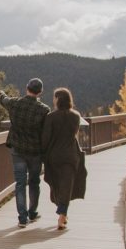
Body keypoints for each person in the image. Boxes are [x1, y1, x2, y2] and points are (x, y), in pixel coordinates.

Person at [0, 78, 50, 227]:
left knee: (20, 183)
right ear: (40, 92)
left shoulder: (15, 103)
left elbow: (4, 99)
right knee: (34, 182)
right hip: (35, 152)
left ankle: (22, 218)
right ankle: (32, 213)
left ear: (27, 88)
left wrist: (0, 93)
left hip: (18, 150)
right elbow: (46, 132)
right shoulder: (44, 109)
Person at [41, 87, 87, 231]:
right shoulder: (76, 116)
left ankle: (62, 214)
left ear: (58, 99)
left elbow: (45, 139)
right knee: (67, 185)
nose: (53, 100)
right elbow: (74, 135)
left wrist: (42, 154)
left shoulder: (50, 117)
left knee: (57, 184)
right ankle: (63, 212)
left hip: (54, 156)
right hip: (71, 156)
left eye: (55, 97)